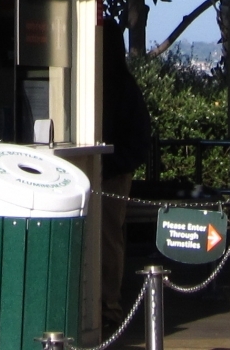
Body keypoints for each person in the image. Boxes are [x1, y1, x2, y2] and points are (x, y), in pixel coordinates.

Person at [101, 21, 154, 330]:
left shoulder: (120, 88)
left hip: (111, 175)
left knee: (108, 238)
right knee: (109, 238)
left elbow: (137, 139)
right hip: (112, 170)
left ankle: (109, 305)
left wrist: (112, 165)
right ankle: (106, 304)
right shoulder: (122, 85)